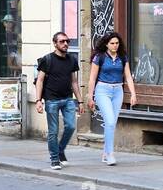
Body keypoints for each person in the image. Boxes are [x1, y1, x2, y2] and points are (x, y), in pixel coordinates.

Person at [87, 30, 137, 166]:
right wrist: (90, 97)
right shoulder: (99, 57)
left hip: (118, 90)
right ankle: (110, 153)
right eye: (112, 43)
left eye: (117, 43)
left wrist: (133, 94)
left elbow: (128, 76)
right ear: (107, 44)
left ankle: (105, 152)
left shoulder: (123, 57)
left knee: (112, 123)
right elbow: (92, 78)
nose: (115, 46)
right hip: (103, 90)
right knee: (109, 121)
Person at [33, 32, 82, 170]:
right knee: (53, 131)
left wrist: (80, 101)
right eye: (62, 41)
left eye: (67, 41)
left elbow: (74, 81)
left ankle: (60, 150)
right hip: (52, 100)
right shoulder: (47, 60)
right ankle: (54, 158)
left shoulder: (72, 60)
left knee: (71, 126)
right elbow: (40, 81)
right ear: (55, 43)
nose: (66, 44)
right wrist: (38, 101)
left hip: (67, 99)